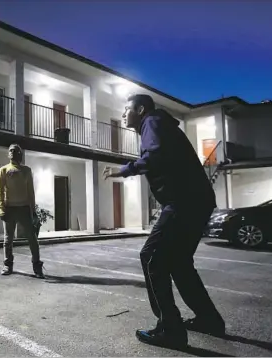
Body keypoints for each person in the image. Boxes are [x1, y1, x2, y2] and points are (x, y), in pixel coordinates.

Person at [104, 94, 225, 348]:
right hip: (196, 201)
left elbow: (156, 155)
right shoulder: (159, 124)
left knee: (151, 257)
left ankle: (170, 329)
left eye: (127, 109)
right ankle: (208, 319)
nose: (124, 114)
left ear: (140, 109)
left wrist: (124, 170)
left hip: (184, 201)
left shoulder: (153, 122)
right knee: (179, 263)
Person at [0, 144, 44, 278]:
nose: (12, 152)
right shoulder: (3, 170)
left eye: (15, 150)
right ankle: (7, 265)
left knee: (32, 238)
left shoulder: (26, 170)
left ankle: (37, 266)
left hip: (24, 209)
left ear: (20, 154)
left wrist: (33, 211)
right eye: (10, 150)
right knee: (7, 240)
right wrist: (2, 209)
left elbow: (31, 192)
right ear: (8, 154)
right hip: (9, 209)